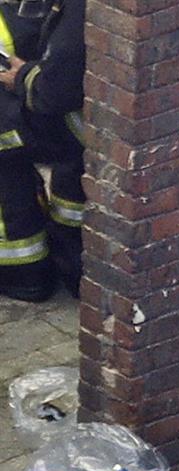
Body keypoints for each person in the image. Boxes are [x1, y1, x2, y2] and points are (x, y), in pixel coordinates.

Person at [0, 0, 86, 300]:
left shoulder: (79, 9)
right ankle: (69, 262)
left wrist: (24, 77)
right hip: (85, 133)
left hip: (71, 124)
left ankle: (24, 271)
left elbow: (57, 87)